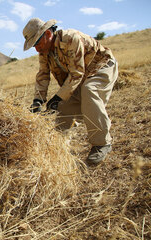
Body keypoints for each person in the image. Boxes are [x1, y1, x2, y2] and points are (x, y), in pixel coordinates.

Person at [23, 18, 118, 166]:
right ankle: (58, 150)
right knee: (65, 109)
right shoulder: (44, 51)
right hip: (80, 78)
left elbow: (76, 74)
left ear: (48, 34)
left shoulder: (71, 39)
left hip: (101, 67)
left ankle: (102, 144)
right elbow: (43, 75)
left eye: (37, 43)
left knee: (89, 91)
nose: (37, 49)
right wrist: (38, 100)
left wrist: (57, 97)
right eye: (34, 45)